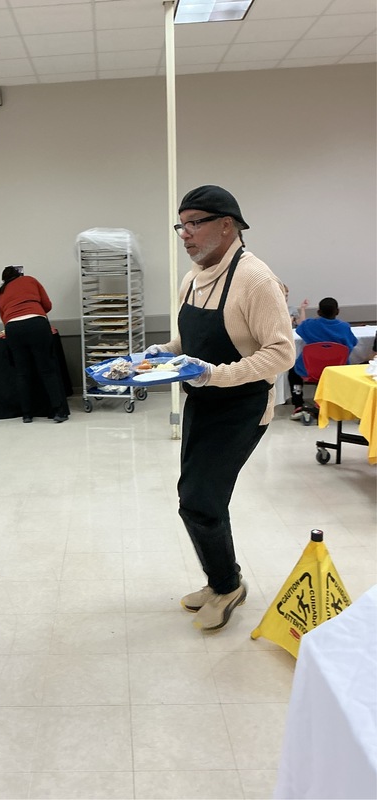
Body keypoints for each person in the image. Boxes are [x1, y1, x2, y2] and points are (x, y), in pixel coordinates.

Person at [147, 185, 295, 632]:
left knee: (201, 500)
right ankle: (219, 581)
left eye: (195, 223)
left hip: (242, 407)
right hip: (203, 402)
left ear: (227, 225)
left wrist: (214, 375)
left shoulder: (256, 279)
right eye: (182, 225)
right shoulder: (192, 278)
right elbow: (187, 344)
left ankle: (228, 586)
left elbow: (281, 353)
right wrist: (161, 353)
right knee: (192, 498)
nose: (186, 235)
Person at [0, 266, 68, 423]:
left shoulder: (2, 291)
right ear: (19, 274)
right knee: (47, 370)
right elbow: (47, 305)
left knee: (22, 373)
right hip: (36, 324)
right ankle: (58, 411)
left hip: (13, 328)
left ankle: (27, 414)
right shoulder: (30, 280)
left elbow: (3, 315)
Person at [288, 297, 358, 419]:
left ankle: (298, 404)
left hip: (310, 370)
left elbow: (300, 328)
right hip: (336, 370)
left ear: (319, 312)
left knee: (293, 372)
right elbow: (352, 344)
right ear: (338, 311)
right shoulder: (344, 327)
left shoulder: (310, 325)